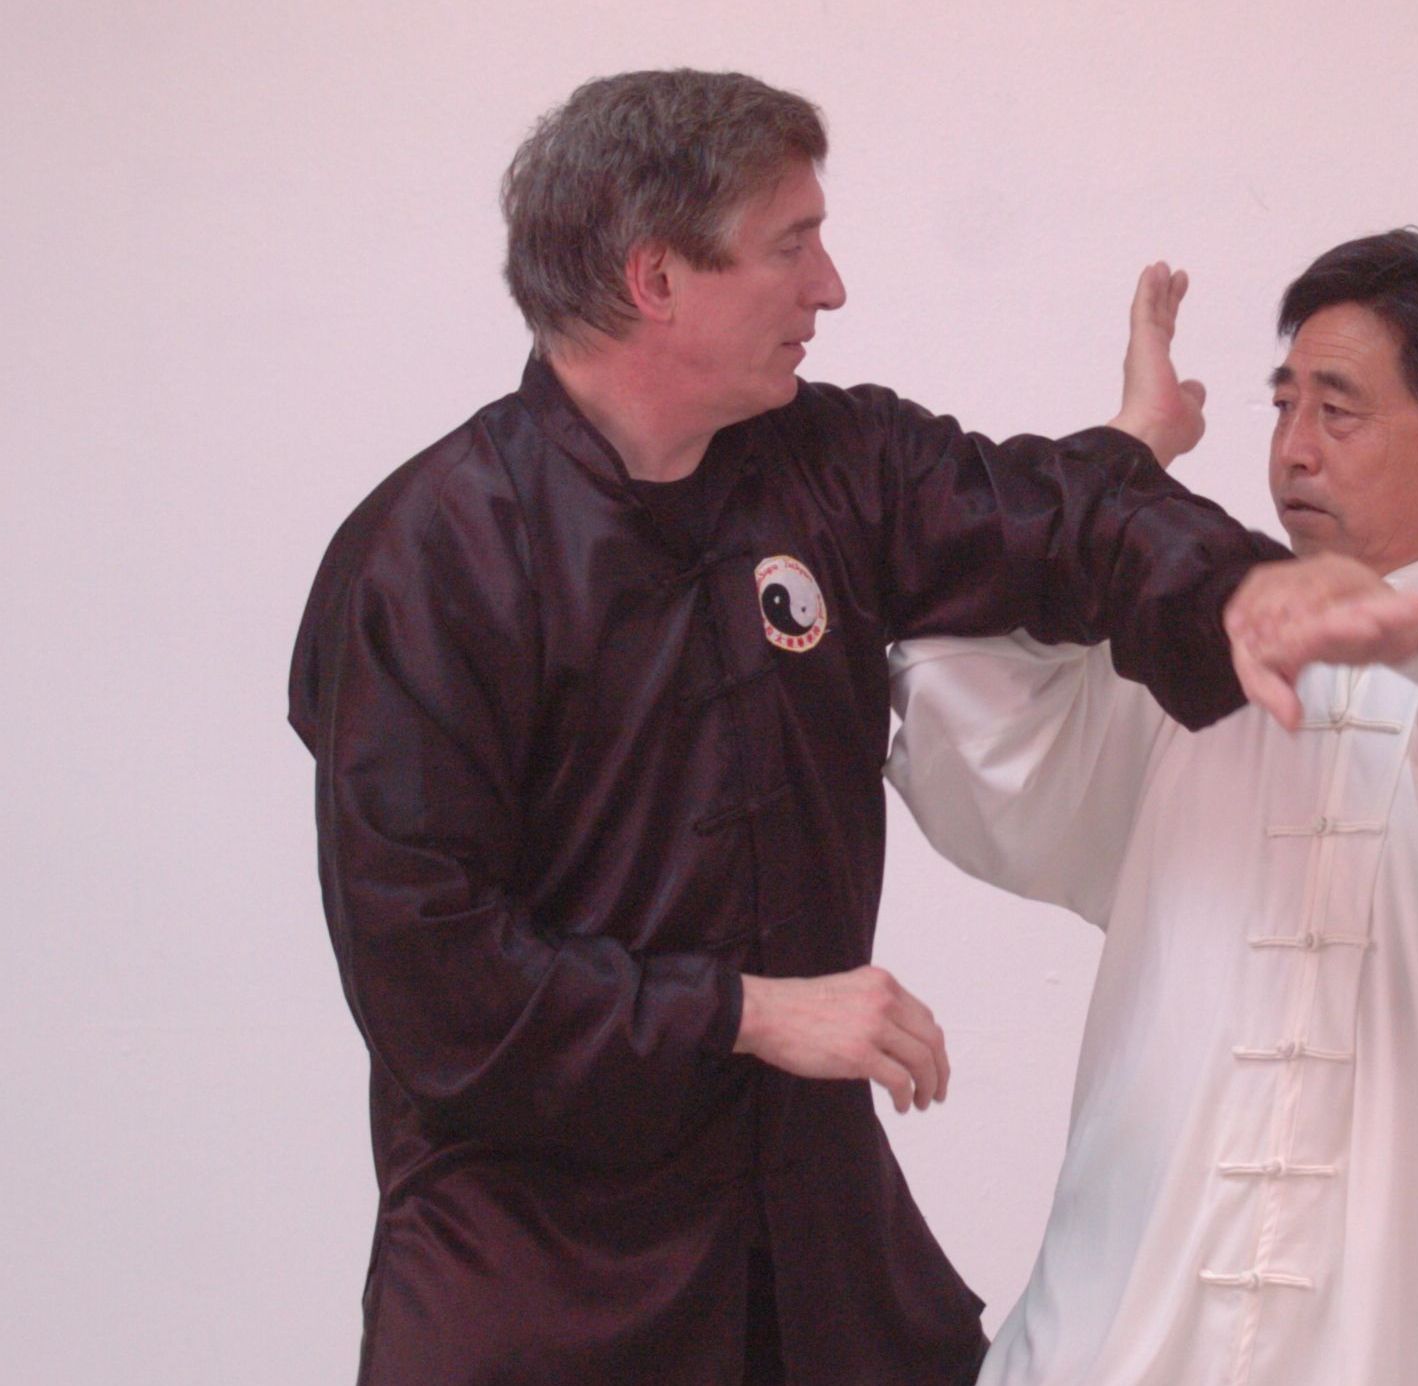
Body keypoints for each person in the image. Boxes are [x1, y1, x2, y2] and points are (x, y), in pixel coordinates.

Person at [286, 69, 1285, 1385]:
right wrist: (745, 1012)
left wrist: (1249, 591)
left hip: (811, 1253)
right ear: (657, 279)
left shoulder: (829, 463)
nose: (831, 288)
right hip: (544, 1278)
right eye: (791, 244)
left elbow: (1050, 520)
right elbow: (436, 981)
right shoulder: (434, 557)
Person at [887, 228, 1418, 1386]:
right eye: (1282, 406)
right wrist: (1125, 457)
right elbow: (955, 671)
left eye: (1338, 411)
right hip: (1123, 1338)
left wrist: (1417, 639)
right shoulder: (1188, 644)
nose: (1293, 450)